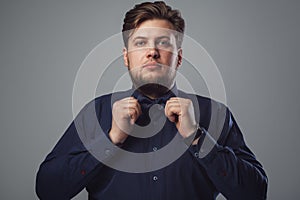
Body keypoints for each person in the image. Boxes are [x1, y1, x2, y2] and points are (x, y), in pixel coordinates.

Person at [36, 1, 268, 199]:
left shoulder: (215, 113)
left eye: (164, 42)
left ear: (179, 58)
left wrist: (197, 137)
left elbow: (255, 192)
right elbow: (47, 190)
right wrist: (111, 140)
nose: (152, 51)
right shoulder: (95, 112)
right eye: (140, 43)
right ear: (127, 58)